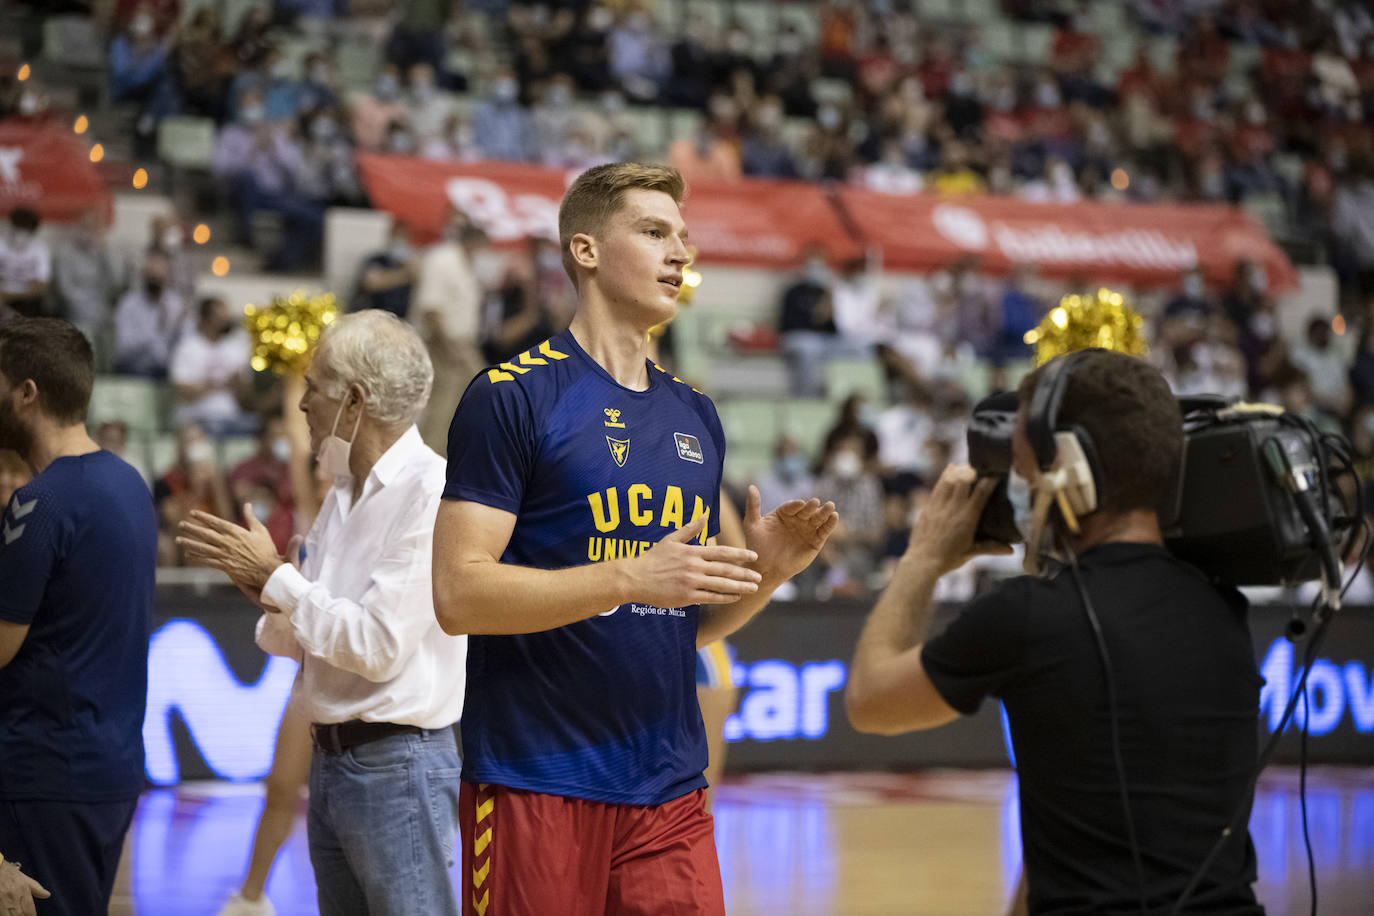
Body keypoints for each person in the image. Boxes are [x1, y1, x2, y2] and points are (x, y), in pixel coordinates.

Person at [433, 162, 839, 915]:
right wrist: (627, 577)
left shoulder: (696, 416)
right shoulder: (510, 398)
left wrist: (770, 572)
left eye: (682, 237)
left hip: (669, 786)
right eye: (653, 233)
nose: (678, 253)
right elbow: (458, 593)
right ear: (584, 251)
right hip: (536, 777)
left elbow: (683, 625)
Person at [846, 349, 1266, 915]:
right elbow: (1071, 831)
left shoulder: (1028, 617)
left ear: (1071, 469)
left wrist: (923, 557)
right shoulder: (1223, 608)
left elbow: (871, 700)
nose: (1020, 488)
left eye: (1023, 470)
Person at [177, 310, 467, 916]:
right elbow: (311, 636)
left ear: (354, 401)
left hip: (398, 763)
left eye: (314, 386)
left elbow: (378, 646)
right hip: (337, 759)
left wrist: (278, 579)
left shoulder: (429, 492)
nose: (304, 403)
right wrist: (265, 587)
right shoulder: (344, 492)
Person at [0, 318, 156, 916]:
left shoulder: (41, 501)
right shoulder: (129, 484)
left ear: (27, 393)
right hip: (108, 766)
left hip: (43, 772)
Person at [409, 209, 483, 455]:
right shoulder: (442, 260)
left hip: (463, 345)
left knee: (468, 405)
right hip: (442, 344)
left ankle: (453, 461)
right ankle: (431, 464)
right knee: (442, 410)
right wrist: (449, 348)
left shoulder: (464, 264)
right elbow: (431, 309)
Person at [169, 297, 255, 436]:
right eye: (220, 316)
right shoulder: (188, 347)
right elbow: (182, 390)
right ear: (207, 319)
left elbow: (246, 397)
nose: (226, 321)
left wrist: (238, 384)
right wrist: (212, 384)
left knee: (261, 427)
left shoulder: (235, 348)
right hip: (197, 417)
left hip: (232, 417)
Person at [0, 209, 51, 320]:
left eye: (24, 229)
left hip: (27, 303)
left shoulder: (40, 249)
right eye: (17, 228)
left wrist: (8, 295)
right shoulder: (1, 245)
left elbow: (42, 287)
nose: (19, 234)